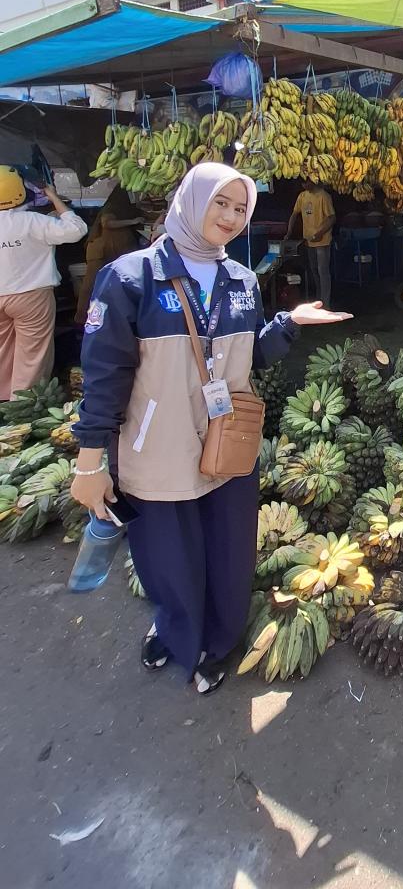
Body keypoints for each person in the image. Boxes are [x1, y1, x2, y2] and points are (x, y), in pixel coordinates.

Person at [70, 163, 351, 695]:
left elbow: (251, 358)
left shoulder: (241, 281)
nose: (230, 216)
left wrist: (290, 324)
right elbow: (104, 374)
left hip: (228, 445)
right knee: (167, 557)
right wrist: (90, 461)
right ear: (190, 201)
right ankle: (179, 634)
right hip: (158, 448)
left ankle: (218, 644)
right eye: (220, 203)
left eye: (240, 208)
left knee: (228, 553)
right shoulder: (133, 277)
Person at [0, 167, 87, 400]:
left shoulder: (34, 221)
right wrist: (52, 195)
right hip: (32, 297)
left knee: (2, 352)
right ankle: (22, 407)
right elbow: (76, 230)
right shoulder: (33, 222)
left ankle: (2, 402)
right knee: (32, 354)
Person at [74, 185, 144, 323]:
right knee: (90, 285)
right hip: (100, 251)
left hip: (116, 251)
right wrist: (132, 221)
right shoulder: (113, 205)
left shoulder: (127, 208)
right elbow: (107, 223)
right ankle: (81, 318)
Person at [287, 180, 335, 305]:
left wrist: (320, 233)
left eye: (306, 183)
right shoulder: (302, 196)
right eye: (302, 183)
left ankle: (326, 302)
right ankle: (319, 299)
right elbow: (294, 214)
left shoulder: (324, 196)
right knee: (314, 270)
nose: (304, 185)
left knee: (323, 271)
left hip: (322, 241)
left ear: (313, 181)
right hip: (309, 240)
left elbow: (332, 218)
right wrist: (289, 232)